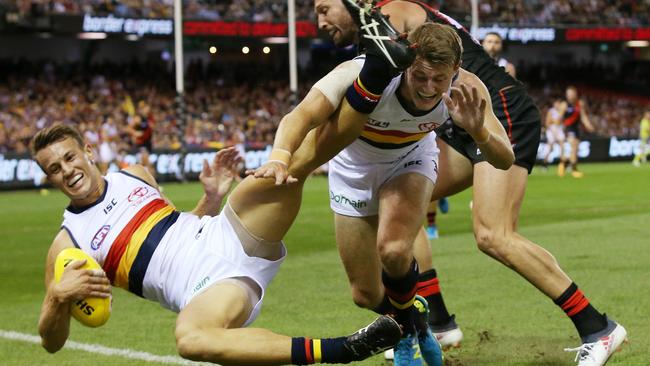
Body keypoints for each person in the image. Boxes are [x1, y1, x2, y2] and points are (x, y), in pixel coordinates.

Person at [312, 0, 627, 364]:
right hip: (455, 120)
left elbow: (382, 76)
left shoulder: (392, 12)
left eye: (325, 8)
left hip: (492, 111)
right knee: (400, 202)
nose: (320, 21)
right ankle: (440, 321)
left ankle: (598, 327)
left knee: (493, 234)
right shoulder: (380, 27)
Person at [253, 20, 514, 365]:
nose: (428, 88)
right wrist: (279, 157)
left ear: (456, 69)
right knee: (364, 294)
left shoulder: (466, 89)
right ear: (407, 62)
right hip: (351, 169)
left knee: (393, 250)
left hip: (411, 161)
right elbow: (301, 115)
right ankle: (415, 320)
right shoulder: (361, 72)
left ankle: (404, 336)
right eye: (420, 76)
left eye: (440, 79)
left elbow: (505, 158)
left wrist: (479, 131)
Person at [33, 124, 402, 365]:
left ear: (88, 152)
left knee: (291, 165)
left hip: (223, 233)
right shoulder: (69, 242)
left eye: (69, 157)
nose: (66, 170)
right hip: (207, 290)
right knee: (190, 339)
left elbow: (173, 229)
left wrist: (211, 199)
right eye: (54, 168)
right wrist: (57, 296)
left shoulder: (134, 175)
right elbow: (51, 342)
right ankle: (341, 349)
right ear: (49, 177)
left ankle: (375, 101)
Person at [558, 86, 595, 178]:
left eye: (572, 94)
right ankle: (574, 170)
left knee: (575, 150)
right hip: (568, 128)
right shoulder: (564, 105)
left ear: (575, 94)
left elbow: (583, 116)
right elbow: (559, 118)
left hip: (576, 128)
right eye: (568, 94)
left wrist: (588, 125)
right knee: (573, 146)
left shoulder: (580, 104)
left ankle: (563, 163)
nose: (570, 96)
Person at [542, 99, 566, 169]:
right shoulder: (551, 111)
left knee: (562, 146)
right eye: (556, 103)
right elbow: (547, 123)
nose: (558, 105)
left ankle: (562, 164)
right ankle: (544, 164)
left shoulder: (561, 111)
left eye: (559, 104)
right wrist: (553, 131)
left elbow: (560, 122)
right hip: (552, 130)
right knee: (550, 147)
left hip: (559, 129)